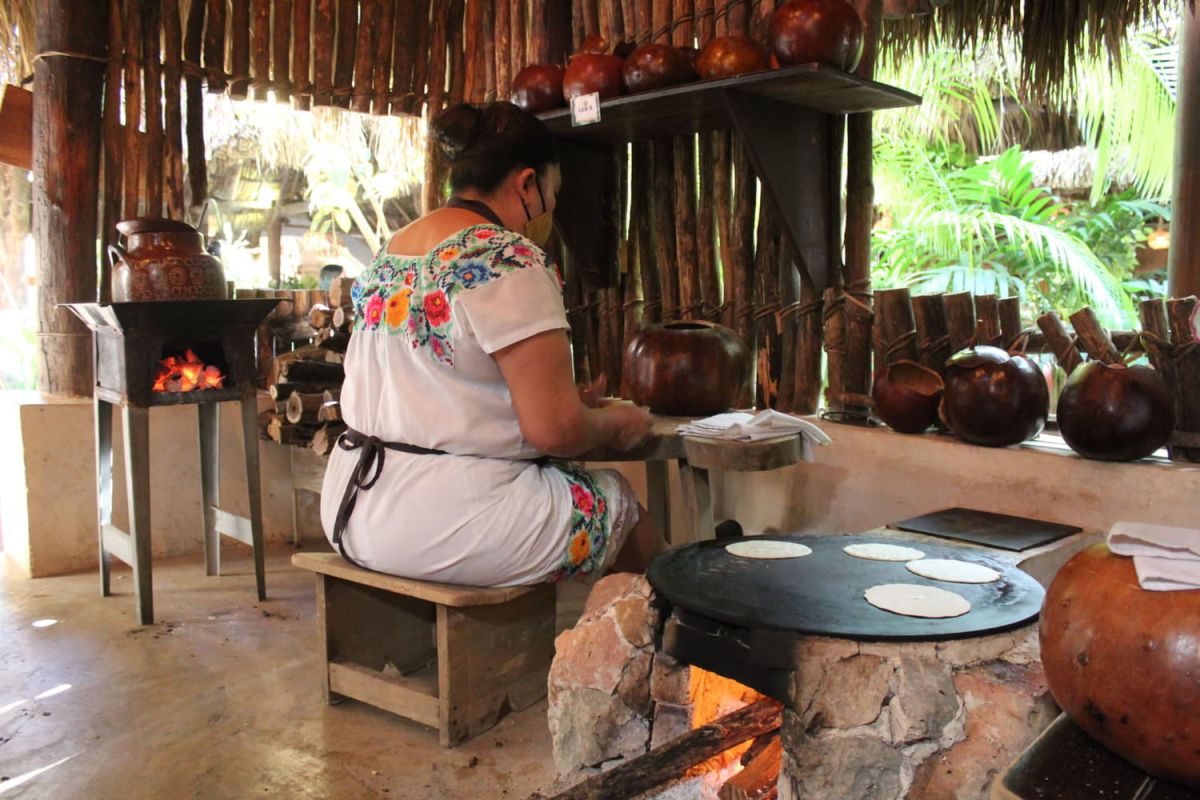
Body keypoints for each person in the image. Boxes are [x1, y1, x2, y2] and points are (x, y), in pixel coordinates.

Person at [320, 101, 664, 587]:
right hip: (443, 524)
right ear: (527, 183)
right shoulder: (507, 258)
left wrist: (542, 403)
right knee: (620, 508)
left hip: (351, 506)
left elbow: (432, 390)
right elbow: (558, 432)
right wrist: (615, 422)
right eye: (553, 193)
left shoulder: (392, 249)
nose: (550, 210)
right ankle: (675, 647)